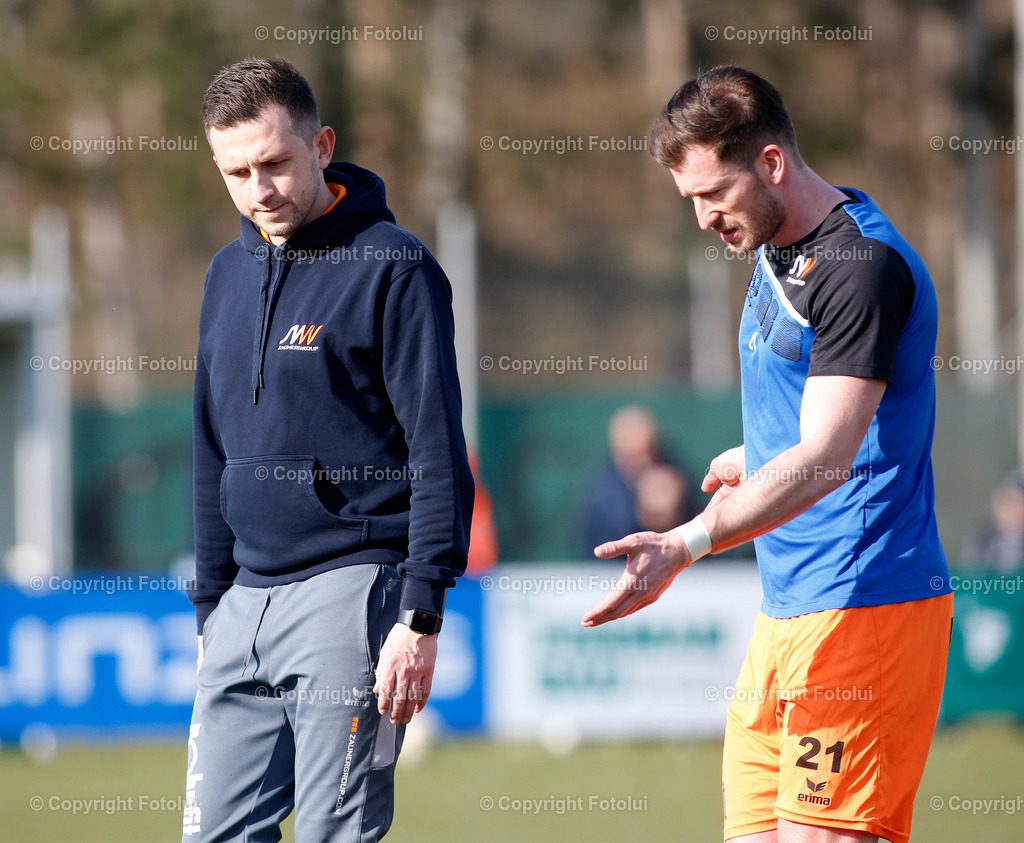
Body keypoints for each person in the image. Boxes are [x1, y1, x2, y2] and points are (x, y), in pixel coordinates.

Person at [583, 66, 953, 843]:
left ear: (773, 164)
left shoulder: (859, 268)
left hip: (865, 605)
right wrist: (753, 452)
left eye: (713, 194)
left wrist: (685, 542)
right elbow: (831, 420)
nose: (704, 218)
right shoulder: (775, 245)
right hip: (786, 609)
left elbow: (824, 456)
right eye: (690, 201)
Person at [182, 57, 473, 841]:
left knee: (333, 835)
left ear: (322, 146)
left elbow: (438, 449)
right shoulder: (223, 275)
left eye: (275, 162)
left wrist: (420, 614)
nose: (258, 189)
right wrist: (211, 602)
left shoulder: (394, 267)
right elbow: (212, 449)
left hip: (353, 594)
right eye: (236, 171)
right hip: (241, 603)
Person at [578, 405, 694, 556]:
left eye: (649, 451)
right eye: (634, 456)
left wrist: (678, 510)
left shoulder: (677, 473)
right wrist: (642, 515)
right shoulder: (601, 490)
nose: (644, 462)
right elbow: (597, 543)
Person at [960, 466, 1024, 572]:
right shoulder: (982, 537)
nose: (1015, 511)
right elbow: (972, 575)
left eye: (1020, 504)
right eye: (1009, 502)